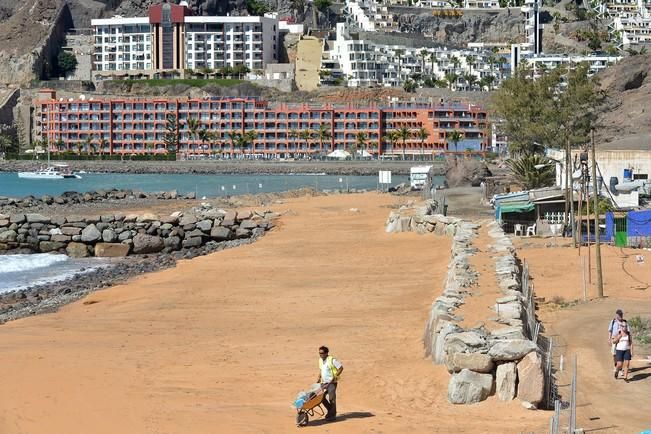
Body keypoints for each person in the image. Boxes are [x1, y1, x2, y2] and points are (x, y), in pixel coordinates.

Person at [317, 346, 343, 421]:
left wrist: (335, 376)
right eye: (319, 353)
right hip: (323, 383)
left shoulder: (332, 360)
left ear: (326, 353)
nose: (320, 355)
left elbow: (341, 368)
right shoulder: (320, 360)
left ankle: (332, 415)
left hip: (331, 383)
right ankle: (330, 411)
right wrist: (319, 377)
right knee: (320, 398)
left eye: (322, 353)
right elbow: (321, 370)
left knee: (332, 399)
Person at [608, 309, 629, 375]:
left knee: (621, 354)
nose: (621, 316)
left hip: (621, 340)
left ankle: (620, 369)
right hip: (614, 339)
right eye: (619, 315)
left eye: (621, 314)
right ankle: (616, 365)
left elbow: (628, 331)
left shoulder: (624, 322)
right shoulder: (613, 321)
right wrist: (609, 339)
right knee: (614, 354)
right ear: (616, 315)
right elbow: (610, 330)